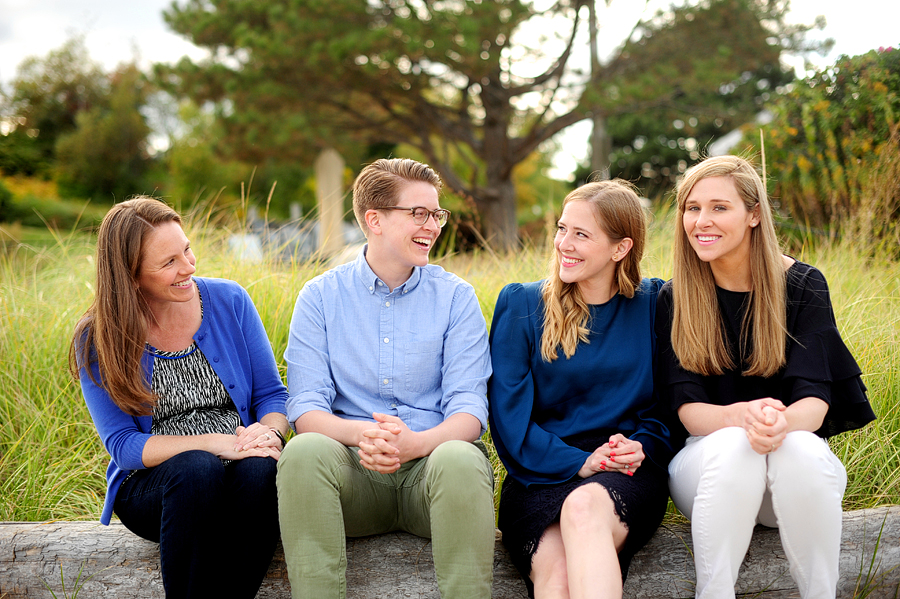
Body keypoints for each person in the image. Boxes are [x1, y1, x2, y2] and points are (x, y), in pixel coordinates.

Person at [656, 155, 876, 599]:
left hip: (791, 475)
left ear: (754, 214)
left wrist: (778, 424)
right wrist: (742, 417)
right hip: (706, 473)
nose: (702, 220)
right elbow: (690, 413)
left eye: (720, 207)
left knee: (799, 446)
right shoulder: (675, 296)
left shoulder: (803, 285)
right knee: (736, 444)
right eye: (692, 208)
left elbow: (814, 404)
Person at [277, 158, 495, 599]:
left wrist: (414, 443)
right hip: (352, 477)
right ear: (373, 219)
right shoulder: (319, 297)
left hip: (430, 477)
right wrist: (363, 434)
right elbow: (305, 408)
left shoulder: (456, 298)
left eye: (437, 214)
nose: (432, 225)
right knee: (303, 452)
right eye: (418, 213)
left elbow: (470, 410)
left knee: (461, 456)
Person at [70, 197, 289, 599]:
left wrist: (269, 435)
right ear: (132, 275)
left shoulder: (230, 300)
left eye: (186, 249)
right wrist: (213, 443)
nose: (188, 266)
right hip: (157, 486)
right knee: (197, 469)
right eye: (168, 262)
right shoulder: (97, 337)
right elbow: (123, 446)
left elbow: (273, 395)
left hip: (240, 468)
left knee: (262, 470)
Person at [489, 180, 676, 599]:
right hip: (541, 470)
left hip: (626, 469)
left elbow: (670, 404)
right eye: (561, 228)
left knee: (584, 508)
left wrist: (642, 445)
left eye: (581, 234)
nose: (563, 244)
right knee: (558, 579)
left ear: (620, 248)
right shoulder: (522, 304)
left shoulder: (655, 303)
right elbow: (508, 419)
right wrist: (580, 460)